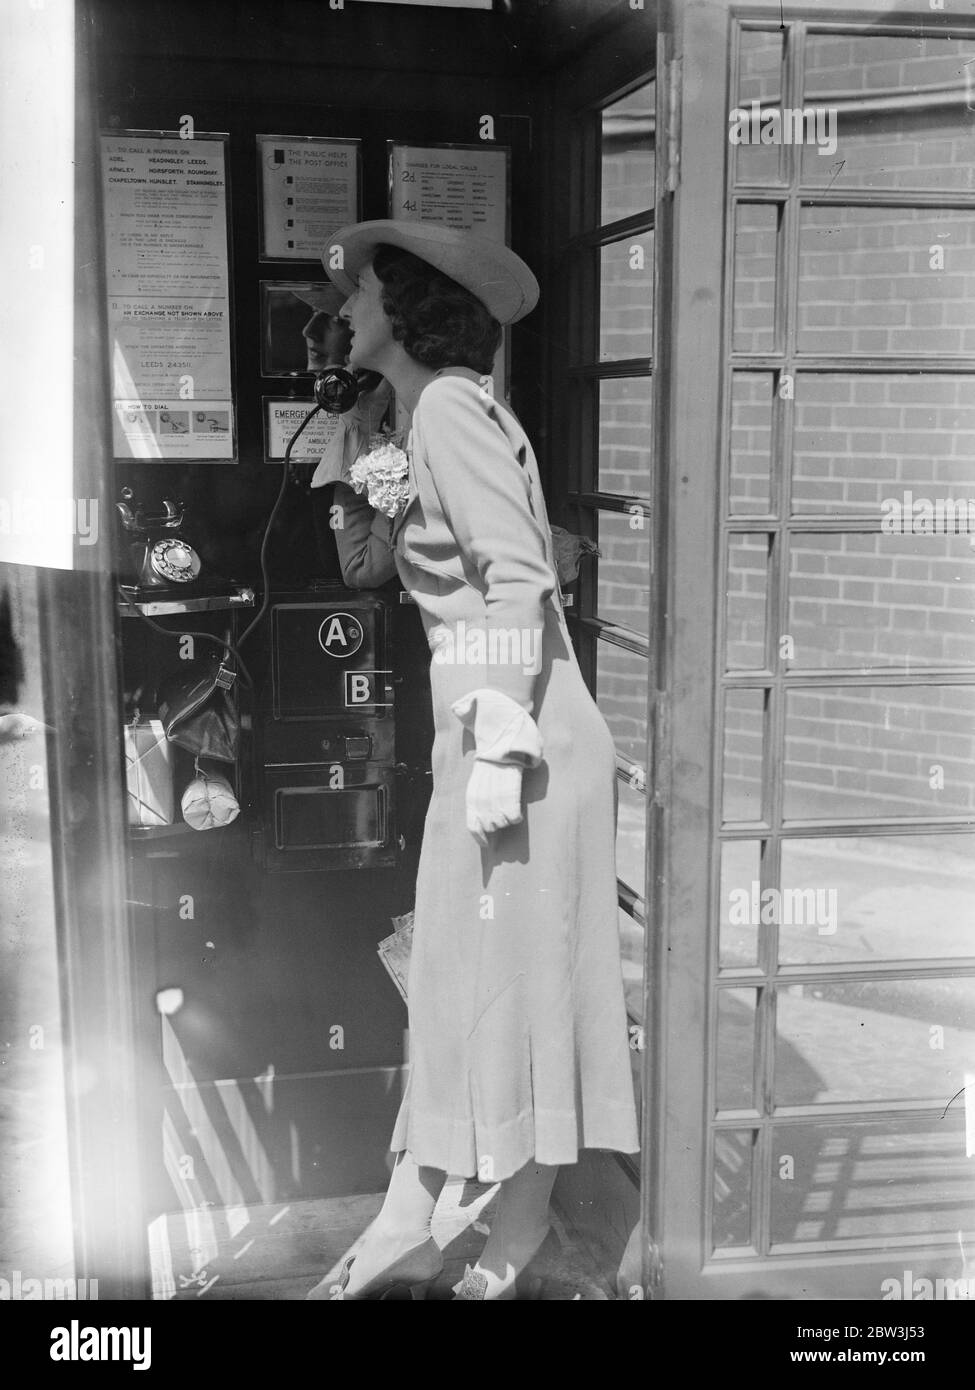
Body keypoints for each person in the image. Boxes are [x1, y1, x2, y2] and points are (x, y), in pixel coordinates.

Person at [306, 220, 639, 1300]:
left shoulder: (447, 408)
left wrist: (499, 748)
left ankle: (509, 1230)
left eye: (360, 293)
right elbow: (394, 564)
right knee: (466, 979)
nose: (344, 308)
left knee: (522, 987)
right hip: (498, 735)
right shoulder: (422, 413)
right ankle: (447, 1214)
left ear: (404, 306)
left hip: (521, 743)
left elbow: (518, 581)